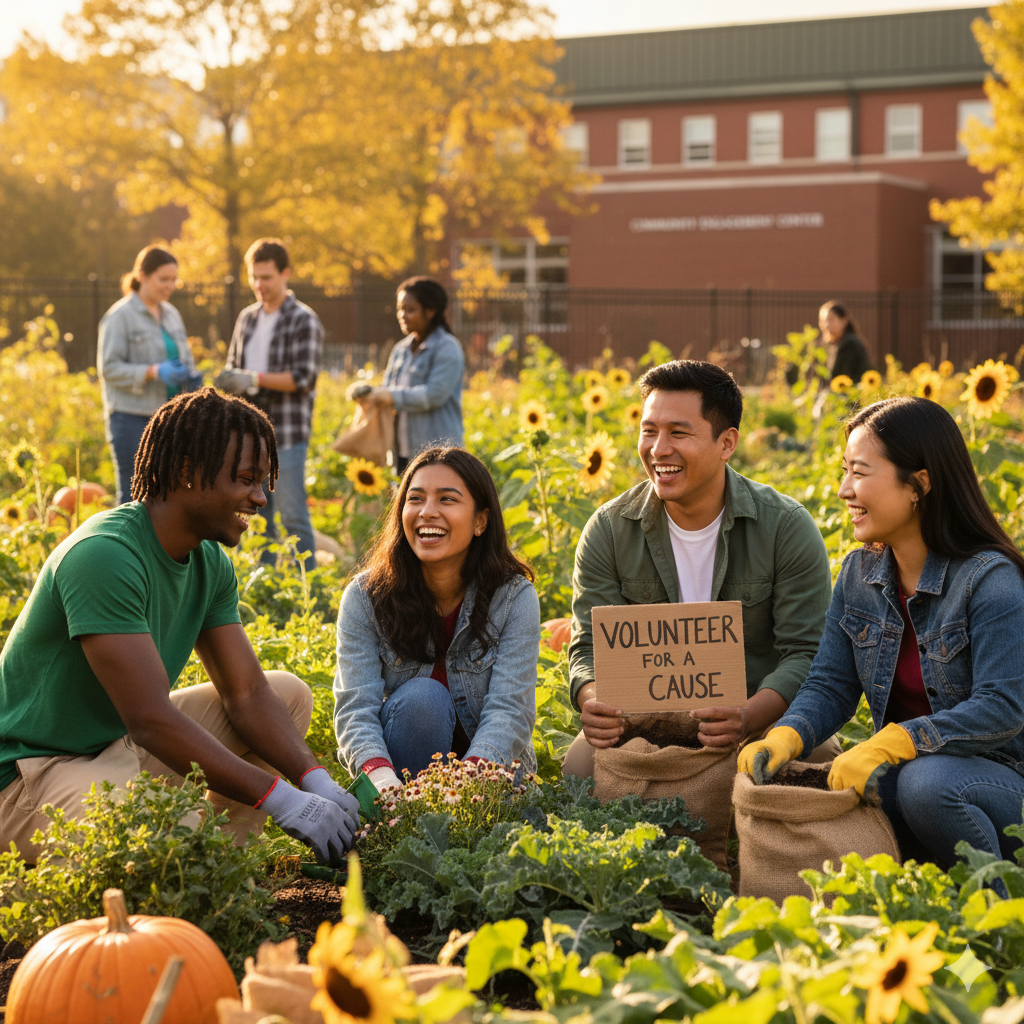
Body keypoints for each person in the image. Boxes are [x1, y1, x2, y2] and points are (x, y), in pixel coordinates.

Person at [0, 388, 360, 866]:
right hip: (33, 771)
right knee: (174, 839)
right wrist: (281, 798)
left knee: (287, 694)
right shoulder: (104, 555)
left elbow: (247, 693)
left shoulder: (208, 561)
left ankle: (222, 873)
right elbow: (149, 720)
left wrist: (315, 781)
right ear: (188, 472)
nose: (260, 497)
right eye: (247, 479)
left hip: (112, 747)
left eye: (263, 481)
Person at [740, 397, 1024, 867]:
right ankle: (917, 887)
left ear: (919, 484)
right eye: (844, 471)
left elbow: (1003, 709)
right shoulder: (859, 574)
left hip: (1002, 784)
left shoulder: (989, 582)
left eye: (860, 472)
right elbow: (830, 683)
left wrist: (899, 740)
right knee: (828, 779)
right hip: (915, 780)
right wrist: (785, 735)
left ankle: (993, 910)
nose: (843, 489)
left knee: (923, 783)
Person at [564, 359, 836, 780]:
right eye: (649, 430)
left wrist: (746, 715)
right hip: (645, 724)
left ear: (726, 443)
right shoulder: (609, 530)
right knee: (581, 767)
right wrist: (593, 697)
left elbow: (807, 654)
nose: (658, 449)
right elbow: (587, 648)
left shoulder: (784, 526)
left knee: (816, 760)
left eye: (678, 432)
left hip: (758, 719)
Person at [333, 446, 539, 793]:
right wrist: (382, 781)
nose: (427, 512)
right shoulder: (366, 597)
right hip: (400, 781)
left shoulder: (513, 597)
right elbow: (355, 709)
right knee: (423, 700)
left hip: (491, 779)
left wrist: (467, 787)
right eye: (415, 499)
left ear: (480, 521)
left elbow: (510, 710)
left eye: (447, 500)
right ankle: (405, 825)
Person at [216, 238, 322, 572]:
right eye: (254, 277)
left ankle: (309, 582)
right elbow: (235, 367)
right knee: (254, 513)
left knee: (292, 514)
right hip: (250, 435)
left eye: (267, 277)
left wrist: (255, 379)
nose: (259, 285)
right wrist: (232, 380)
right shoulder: (247, 318)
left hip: (286, 432)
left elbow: (304, 378)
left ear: (285, 274)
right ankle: (264, 579)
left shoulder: (303, 320)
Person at [98, 245, 202, 504]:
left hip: (168, 417)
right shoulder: (119, 317)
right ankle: (127, 546)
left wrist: (190, 374)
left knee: (168, 494)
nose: (170, 285)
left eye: (173, 279)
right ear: (142, 275)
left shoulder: (172, 314)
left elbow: (184, 357)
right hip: (131, 418)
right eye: (163, 279)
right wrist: (153, 372)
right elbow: (108, 369)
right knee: (136, 495)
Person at [351, 277, 464, 475]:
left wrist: (391, 396)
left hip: (438, 454)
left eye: (410, 310)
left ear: (430, 311)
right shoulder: (400, 350)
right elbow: (388, 389)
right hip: (402, 449)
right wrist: (370, 392)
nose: (402, 315)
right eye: (400, 309)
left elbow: (433, 395)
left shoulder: (447, 348)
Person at [820, 300, 872, 383]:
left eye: (831, 320)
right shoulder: (827, 347)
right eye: (823, 321)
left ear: (844, 321)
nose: (826, 325)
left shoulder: (851, 345)